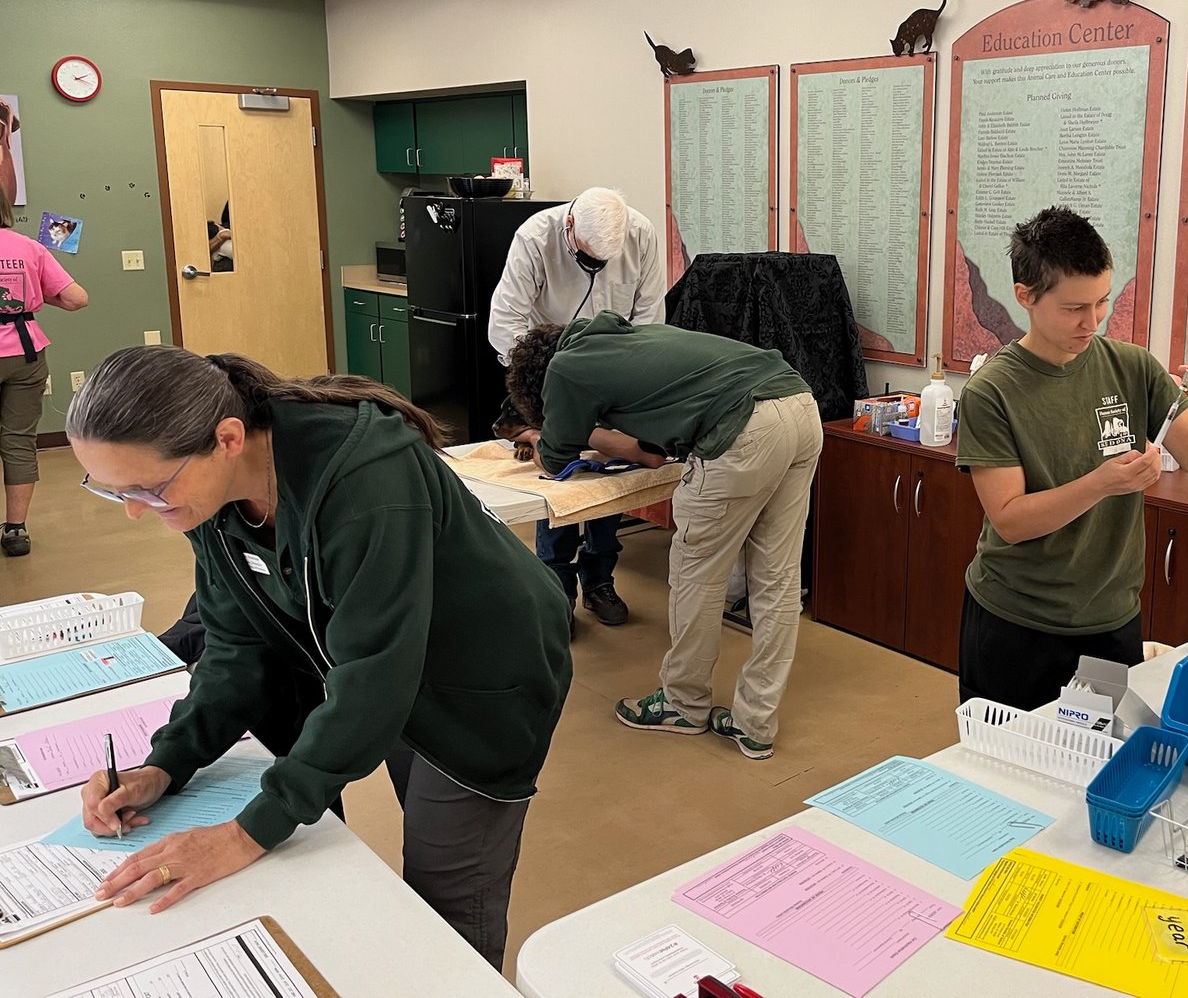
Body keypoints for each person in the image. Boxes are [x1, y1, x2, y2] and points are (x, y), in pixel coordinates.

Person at [67, 346, 571, 970]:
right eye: (118, 493)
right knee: (383, 791)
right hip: (382, 663)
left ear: (226, 439)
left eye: (148, 487)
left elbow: (375, 678)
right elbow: (235, 645)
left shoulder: (364, 476)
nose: (140, 510)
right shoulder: (204, 493)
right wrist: (167, 765)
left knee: (445, 895)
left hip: (481, 677)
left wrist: (247, 833)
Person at [506, 312, 822, 761]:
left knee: (698, 575)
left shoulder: (565, 369)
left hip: (741, 429)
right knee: (777, 578)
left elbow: (555, 460)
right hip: (799, 405)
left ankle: (683, 704)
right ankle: (756, 724)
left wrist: (542, 432)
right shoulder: (631, 339)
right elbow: (653, 452)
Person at [957, 206, 1188, 711]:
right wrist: (1102, 483)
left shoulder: (1130, 367)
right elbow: (1011, 521)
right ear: (1025, 296)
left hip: (1110, 618)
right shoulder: (993, 390)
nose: (1093, 321)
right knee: (1009, 771)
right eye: (1073, 308)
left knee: (1100, 764)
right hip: (1018, 622)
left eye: (1102, 301)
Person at [488, 187, 665, 629]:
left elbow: (649, 316)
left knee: (611, 480)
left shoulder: (641, 234)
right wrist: (540, 381)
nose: (597, 268)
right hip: (551, 371)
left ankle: (600, 581)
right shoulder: (535, 237)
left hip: (614, 372)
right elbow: (504, 321)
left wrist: (631, 381)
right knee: (562, 481)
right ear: (569, 227)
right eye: (587, 258)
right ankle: (557, 592)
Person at [0, 186, 89, 557]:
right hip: (25, 352)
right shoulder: (29, 247)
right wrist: (36, 296)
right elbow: (76, 299)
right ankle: (16, 530)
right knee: (18, 439)